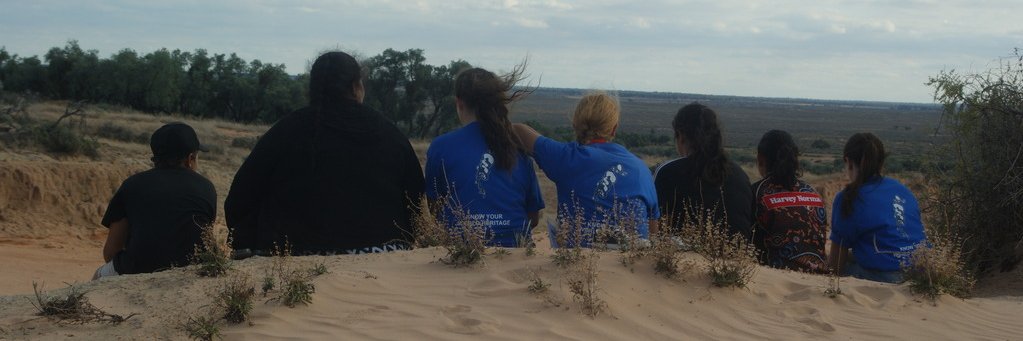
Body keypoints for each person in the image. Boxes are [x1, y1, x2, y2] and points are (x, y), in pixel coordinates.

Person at [225, 51, 424, 256]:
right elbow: (415, 201)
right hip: (384, 253)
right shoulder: (390, 133)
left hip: (292, 255)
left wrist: (252, 240)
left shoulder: (285, 131)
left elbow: (240, 198)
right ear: (357, 87)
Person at [512, 92, 659, 247]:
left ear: (575, 124)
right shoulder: (642, 169)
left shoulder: (566, 158)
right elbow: (652, 232)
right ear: (614, 129)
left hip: (577, 263)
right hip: (631, 264)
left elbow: (518, 131)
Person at [424, 66, 544, 247]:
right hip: (515, 250)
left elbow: (435, 210)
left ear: (459, 103)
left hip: (459, 249)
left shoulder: (440, 146)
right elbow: (533, 217)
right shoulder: (516, 144)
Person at [95, 122, 217, 279]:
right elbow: (204, 238)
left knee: (98, 277)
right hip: (191, 274)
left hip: (135, 269)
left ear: (155, 158)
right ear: (190, 159)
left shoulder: (132, 185)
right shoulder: (206, 188)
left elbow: (111, 252)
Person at [828, 132, 925, 283]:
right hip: (922, 273)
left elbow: (836, 264)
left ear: (848, 162)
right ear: (881, 162)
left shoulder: (849, 197)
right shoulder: (902, 189)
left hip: (886, 277)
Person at [654, 102, 752, 238]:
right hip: (739, 256)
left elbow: (658, 227)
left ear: (680, 136)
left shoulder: (669, 172)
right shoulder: (740, 174)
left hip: (687, 256)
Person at [750, 130, 827, 273]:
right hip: (821, 277)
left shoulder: (757, 191)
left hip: (775, 277)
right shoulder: (812, 192)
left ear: (761, 159)